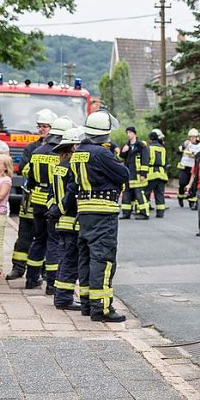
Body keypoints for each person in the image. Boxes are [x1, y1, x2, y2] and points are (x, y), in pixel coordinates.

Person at [71, 110, 131, 322]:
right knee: (103, 258)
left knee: (86, 257)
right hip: (103, 211)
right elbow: (124, 174)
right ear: (105, 133)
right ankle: (102, 308)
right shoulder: (102, 153)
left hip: (84, 210)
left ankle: (87, 304)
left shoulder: (79, 152)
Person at [7, 109, 57, 280]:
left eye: (45, 126)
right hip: (29, 199)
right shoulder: (32, 147)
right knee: (24, 235)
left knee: (45, 237)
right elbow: (23, 169)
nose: (42, 129)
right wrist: (39, 170)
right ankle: (18, 267)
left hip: (47, 199)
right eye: (40, 126)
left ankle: (41, 271)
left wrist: (37, 169)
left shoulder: (58, 148)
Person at [25, 116, 73, 294]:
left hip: (36, 200)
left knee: (38, 238)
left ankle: (31, 278)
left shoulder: (36, 152)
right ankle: (51, 283)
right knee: (54, 241)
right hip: (53, 202)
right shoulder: (60, 155)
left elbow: (29, 179)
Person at [50, 127, 85, 310]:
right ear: (73, 147)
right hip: (71, 220)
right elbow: (71, 195)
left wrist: (54, 211)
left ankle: (60, 296)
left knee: (64, 259)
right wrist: (62, 209)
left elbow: (51, 194)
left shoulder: (58, 167)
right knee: (71, 262)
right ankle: (64, 299)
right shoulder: (73, 166)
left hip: (61, 221)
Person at [120, 126, 151, 220]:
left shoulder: (141, 146)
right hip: (128, 175)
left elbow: (145, 160)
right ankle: (126, 213)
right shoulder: (126, 145)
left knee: (139, 194)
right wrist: (123, 152)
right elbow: (122, 158)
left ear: (134, 133)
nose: (128, 134)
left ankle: (144, 213)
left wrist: (143, 174)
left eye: (130, 132)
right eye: (127, 133)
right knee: (126, 194)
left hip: (137, 175)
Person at [145, 128, 168, 218]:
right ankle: (160, 212)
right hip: (162, 173)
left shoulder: (148, 147)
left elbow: (146, 160)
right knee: (160, 194)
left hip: (151, 173)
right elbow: (165, 161)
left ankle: (145, 210)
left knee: (146, 193)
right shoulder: (163, 148)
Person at [177, 128, 200, 208]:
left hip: (193, 167)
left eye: (194, 137)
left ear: (197, 137)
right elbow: (178, 152)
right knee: (182, 183)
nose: (192, 138)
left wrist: (194, 155)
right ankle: (180, 197)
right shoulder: (186, 143)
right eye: (191, 137)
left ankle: (191, 201)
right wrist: (183, 146)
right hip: (185, 166)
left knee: (193, 185)